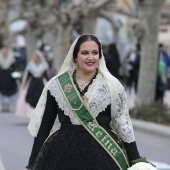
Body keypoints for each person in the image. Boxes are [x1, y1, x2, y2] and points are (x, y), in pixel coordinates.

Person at [26, 35, 155, 170]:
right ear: (75, 56)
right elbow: (46, 124)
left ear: (100, 56)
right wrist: (33, 161)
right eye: (84, 53)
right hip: (63, 153)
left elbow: (123, 123)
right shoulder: (57, 85)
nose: (90, 57)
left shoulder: (112, 86)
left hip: (103, 154)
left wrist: (135, 158)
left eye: (95, 53)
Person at [15, 50, 48, 117]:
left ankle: (39, 114)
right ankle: (31, 113)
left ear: (39, 58)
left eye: (35, 57)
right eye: (33, 57)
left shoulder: (43, 66)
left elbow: (46, 76)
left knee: (41, 97)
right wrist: (24, 85)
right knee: (30, 97)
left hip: (41, 83)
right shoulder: (30, 66)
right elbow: (27, 76)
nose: (34, 59)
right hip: (32, 83)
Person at [0, 47, 18, 112]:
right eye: (3, 51)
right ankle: (2, 105)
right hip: (2, 75)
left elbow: (15, 68)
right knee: (2, 89)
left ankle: (9, 105)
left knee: (9, 89)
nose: (5, 53)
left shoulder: (12, 59)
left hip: (9, 75)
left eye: (6, 51)